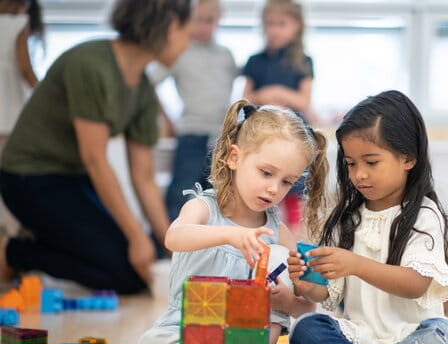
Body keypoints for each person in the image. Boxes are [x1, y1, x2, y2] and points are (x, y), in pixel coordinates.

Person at [283, 91, 448, 344]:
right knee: (304, 327)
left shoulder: (423, 214)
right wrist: (305, 284)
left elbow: (415, 285)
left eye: (371, 162)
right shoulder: (346, 219)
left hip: (413, 341)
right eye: (351, 163)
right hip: (358, 338)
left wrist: (355, 264)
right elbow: (327, 294)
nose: (359, 174)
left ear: (408, 158)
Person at [0, 0, 192, 293]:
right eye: (188, 33)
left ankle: (46, 239)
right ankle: (14, 253)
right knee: (125, 274)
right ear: (171, 26)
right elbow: (95, 159)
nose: (187, 44)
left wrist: (173, 249)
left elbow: (145, 179)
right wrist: (136, 239)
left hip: (73, 179)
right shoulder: (91, 64)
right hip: (29, 177)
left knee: (143, 261)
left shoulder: (142, 90)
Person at [137, 99, 329, 344]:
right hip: (189, 328)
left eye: (287, 182)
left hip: (247, 336)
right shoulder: (204, 207)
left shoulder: (276, 229)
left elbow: (309, 307)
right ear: (234, 157)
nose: (273, 189)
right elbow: (173, 238)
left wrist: (285, 301)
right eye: (266, 173)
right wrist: (229, 236)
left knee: (281, 254)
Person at [149, 0, 237, 221]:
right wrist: (166, 118)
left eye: (209, 20)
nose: (203, 26)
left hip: (221, 137)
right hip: (191, 133)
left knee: (216, 195)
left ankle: (210, 246)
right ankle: (167, 246)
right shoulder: (180, 51)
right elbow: (148, 82)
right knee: (181, 191)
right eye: (198, 20)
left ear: (219, 20)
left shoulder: (225, 55)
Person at [242, 0, 315, 233]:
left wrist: (279, 93)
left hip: (292, 136)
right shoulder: (256, 61)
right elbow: (245, 99)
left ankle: (291, 239)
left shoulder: (303, 62)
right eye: (269, 24)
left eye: (281, 24)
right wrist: (264, 95)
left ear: (297, 26)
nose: (273, 30)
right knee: (263, 183)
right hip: (263, 136)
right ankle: (260, 232)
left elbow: (304, 101)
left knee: (291, 187)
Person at [0, 0, 43, 234]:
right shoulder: (18, 23)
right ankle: (9, 232)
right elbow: (25, 68)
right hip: (8, 110)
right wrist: (46, 93)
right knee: (9, 174)